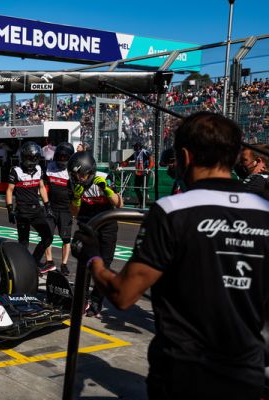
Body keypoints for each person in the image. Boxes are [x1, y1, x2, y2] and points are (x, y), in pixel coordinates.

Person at [71, 111, 269, 399]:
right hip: (246, 372)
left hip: (183, 371)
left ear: (186, 156)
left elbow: (124, 294)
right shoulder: (264, 212)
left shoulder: (171, 212)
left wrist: (93, 257)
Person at [69, 151, 123, 317]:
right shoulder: (71, 183)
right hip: (86, 223)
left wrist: (106, 190)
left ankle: (96, 300)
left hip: (107, 223)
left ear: (91, 171)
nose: (79, 178)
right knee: (85, 263)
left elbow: (119, 204)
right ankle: (81, 298)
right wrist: (77, 197)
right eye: (75, 174)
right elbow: (74, 213)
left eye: (82, 174)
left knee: (104, 263)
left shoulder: (104, 177)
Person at [6, 141, 55, 274]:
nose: (32, 161)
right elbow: (9, 191)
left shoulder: (39, 169)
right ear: (23, 157)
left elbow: (42, 187)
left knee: (48, 237)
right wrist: (10, 210)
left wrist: (47, 206)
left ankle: (33, 262)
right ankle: (21, 268)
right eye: (30, 158)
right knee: (23, 243)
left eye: (34, 158)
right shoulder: (15, 171)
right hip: (22, 212)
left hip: (36, 211)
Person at [43, 142, 75, 275]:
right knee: (47, 236)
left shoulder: (73, 171)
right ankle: (49, 261)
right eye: (60, 157)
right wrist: (45, 204)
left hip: (66, 209)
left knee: (66, 238)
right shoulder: (49, 167)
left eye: (64, 157)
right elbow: (43, 185)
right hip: (51, 207)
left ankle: (64, 264)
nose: (62, 159)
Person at [121, 142, 154, 208]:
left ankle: (143, 204)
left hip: (145, 172)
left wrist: (149, 168)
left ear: (139, 147)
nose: (134, 148)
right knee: (136, 187)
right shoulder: (135, 154)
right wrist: (121, 165)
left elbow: (151, 160)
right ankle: (141, 202)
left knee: (144, 188)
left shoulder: (145, 152)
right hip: (139, 172)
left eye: (135, 147)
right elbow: (127, 161)